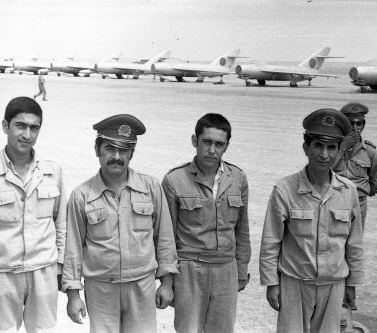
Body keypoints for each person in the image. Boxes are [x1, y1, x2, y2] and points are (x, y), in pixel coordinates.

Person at [62, 114, 178, 333]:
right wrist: (73, 295)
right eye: (109, 148)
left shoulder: (150, 188)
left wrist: (167, 282)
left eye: (124, 150)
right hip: (101, 289)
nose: (116, 156)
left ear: (132, 153)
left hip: (142, 286)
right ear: (97, 150)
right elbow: (73, 249)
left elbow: (164, 237)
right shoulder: (81, 196)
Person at [0, 97, 66, 333]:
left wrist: (59, 268)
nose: (27, 134)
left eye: (34, 128)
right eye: (20, 126)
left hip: (43, 271)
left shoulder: (53, 171)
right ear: (5, 126)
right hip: (1, 274)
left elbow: (61, 225)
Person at [259, 108, 364, 333]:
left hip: (334, 284)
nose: (324, 154)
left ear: (338, 151)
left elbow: (354, 244)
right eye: (317, 145)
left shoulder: (348, 191)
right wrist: (271, 283)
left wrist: (352, 283)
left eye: (331, 147)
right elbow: (271, 241)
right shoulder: (285, 190)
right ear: (306, 148)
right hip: (295, 283)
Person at [162, 113, 251, 333]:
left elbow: (242, 231)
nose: (212, 150)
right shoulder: (174, 180)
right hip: (190, 269)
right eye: (207, 142)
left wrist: (240, 270)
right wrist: (167, 280)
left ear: (226, 146)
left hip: (225, 269)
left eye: (219, 144)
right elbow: (166, 236)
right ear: (195, 141)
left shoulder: (238, 179)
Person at [332, 101, 376, 230]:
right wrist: (342, 147)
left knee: (354, 245)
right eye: (351, 123)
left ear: (363, 125)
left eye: (359, 123)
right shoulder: (331, 148)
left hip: (358, 204)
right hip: (335, 202)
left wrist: (362, 193)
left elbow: (374, 181)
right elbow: (321, 173)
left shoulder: (370, 151)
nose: (355, 127)